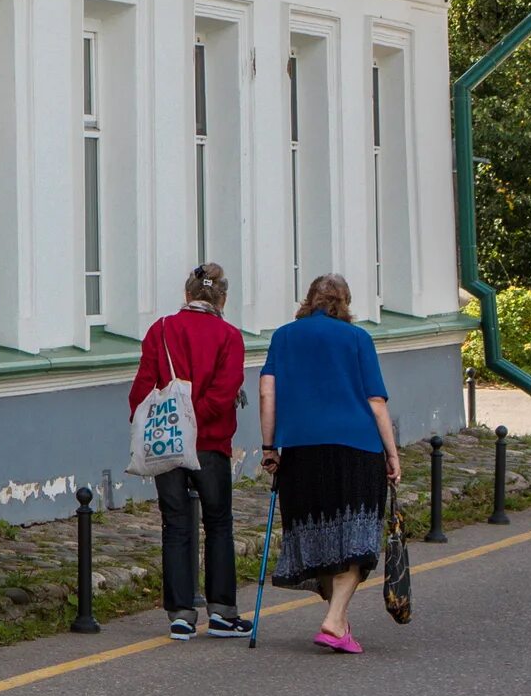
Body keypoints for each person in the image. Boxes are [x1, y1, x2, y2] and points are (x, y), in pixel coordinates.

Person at [257, 273, 402, 653]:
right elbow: (376, 402)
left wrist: (269, 446)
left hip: (302, 451)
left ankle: (338, 617)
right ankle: (335, 621)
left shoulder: (283, 336)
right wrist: (392, 453)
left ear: (309, 299)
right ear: (345, 302)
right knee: (355, 537)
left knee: (316, 534)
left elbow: (266, 390)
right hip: (356, 448)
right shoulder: (357, 339)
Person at [130, 262, 249, 640]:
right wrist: (197, 417)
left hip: (167, 440)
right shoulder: (229, 336)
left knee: (175, 524)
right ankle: (222, 612)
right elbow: (225, 390)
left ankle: (180, 614)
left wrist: (166, 420)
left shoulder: (161, 330)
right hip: (211, 442)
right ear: (222, 298)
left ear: (187, 294)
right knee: (218, 523)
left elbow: (141, 390)